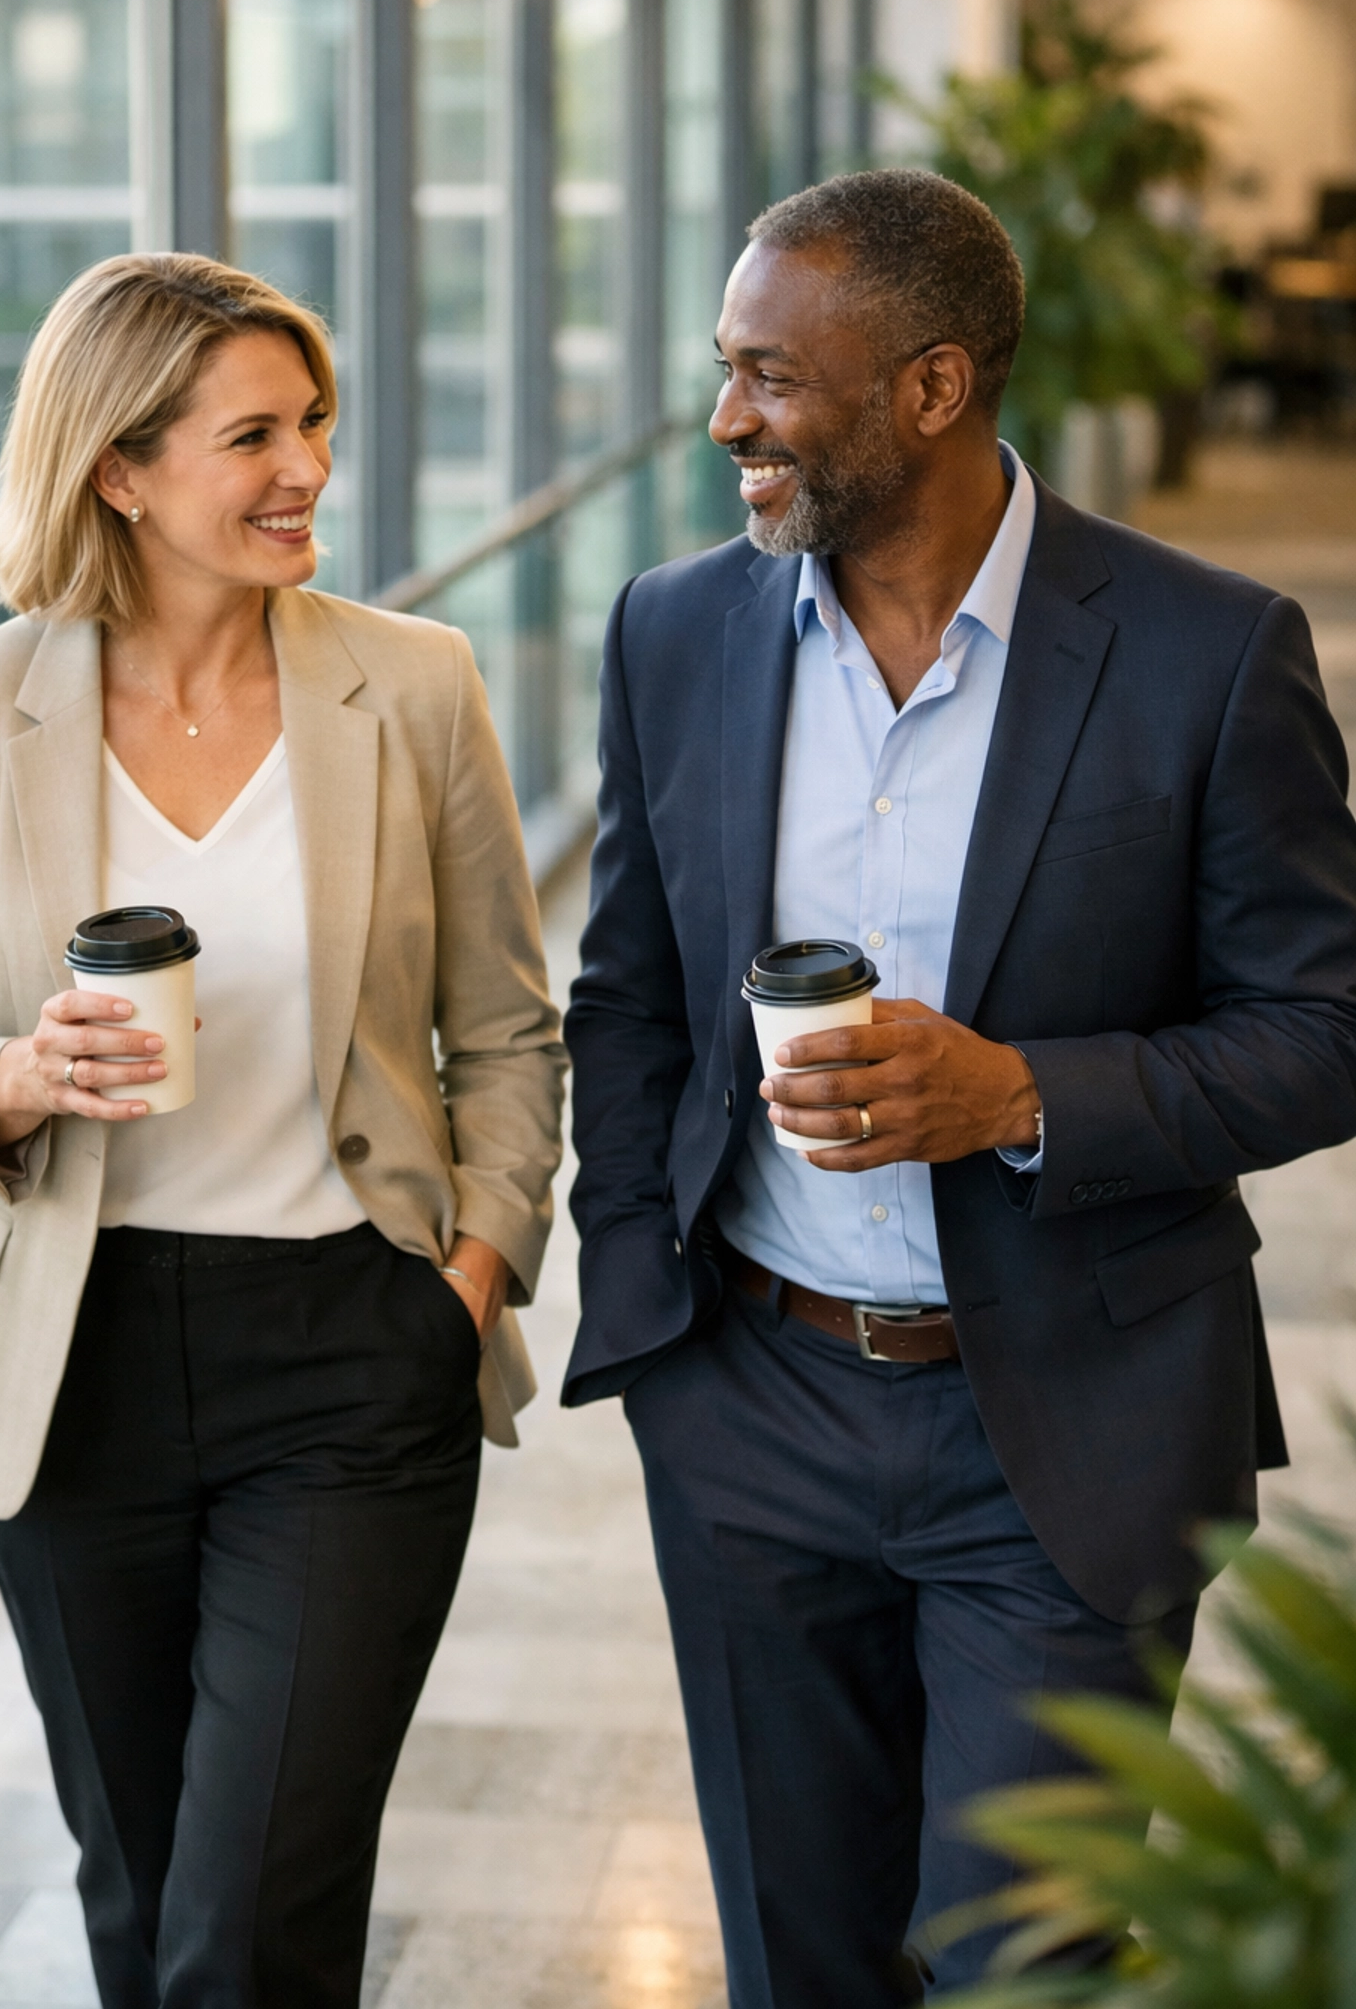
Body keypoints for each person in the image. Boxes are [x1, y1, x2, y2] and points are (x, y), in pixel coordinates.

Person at [562, 169, 1356, 2004]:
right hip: (750, 1411)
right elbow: (626, 998)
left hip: (1070, 1429)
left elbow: (1326, 1026)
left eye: (770, 377)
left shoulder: (1207, 652)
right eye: (721, 367)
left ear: (931, 388)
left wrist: (1017, 1097)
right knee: (796, 1960)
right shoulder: (673, 633)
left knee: (1025, 1967)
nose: (723, 420)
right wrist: (650, 1316)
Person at [0, 252, 566, 2008]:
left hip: (349, 1345)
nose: (307, 468)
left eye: (312, 422)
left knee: (256, 1918)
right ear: (119, 468)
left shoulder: (409, 685)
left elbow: (505, 1027)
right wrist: (19, 1077)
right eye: (252, 434)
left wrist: (467, 1280)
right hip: (66, 1362)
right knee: (147, 1888)